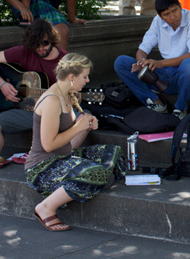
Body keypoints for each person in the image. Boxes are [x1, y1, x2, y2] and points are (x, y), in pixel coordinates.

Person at [25, 53, 124, 232]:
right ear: (72, 77)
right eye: (84, 76)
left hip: (64, 156)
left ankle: (84, 180)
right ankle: (46, 207)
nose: (87, 80)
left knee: (114, 152)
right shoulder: (52, 100)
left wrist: (86, 124)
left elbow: (70, 141)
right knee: (99, 174)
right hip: (43, 167)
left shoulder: (68, 95)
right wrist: (78, 128)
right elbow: (48, 145)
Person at [0, 19, 68, 172]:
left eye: (45, 43)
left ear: (53, 39)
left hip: (51, 115)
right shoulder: (24, 52)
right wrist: (1, 84)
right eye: (36, 45)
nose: (41, 48)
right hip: (26, 110)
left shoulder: (66, 62)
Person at [114, 0, 190, 120]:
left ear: (180, 7)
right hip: (164, 77)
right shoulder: (157, 21)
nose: (172, 16)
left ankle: (180, 108)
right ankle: (155, 102)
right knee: (121, 62)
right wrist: (141, 63)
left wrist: (160, 63)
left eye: (175, 11)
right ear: (160, 16)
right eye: (166, 14)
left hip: (188, 79)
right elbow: (142, 49)